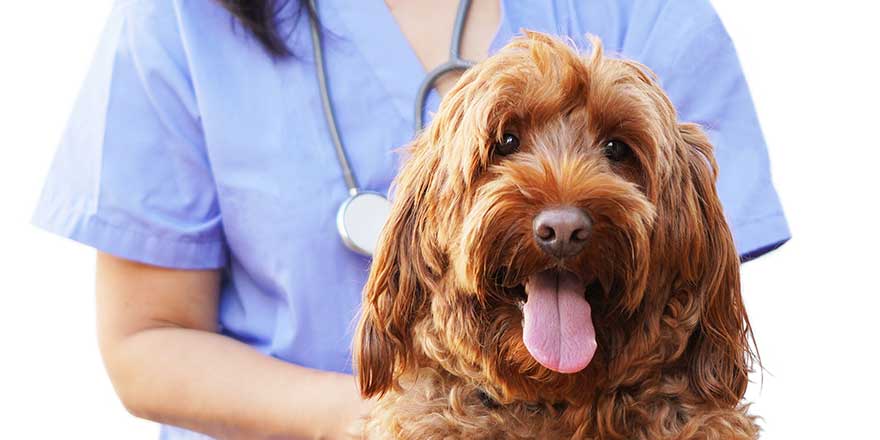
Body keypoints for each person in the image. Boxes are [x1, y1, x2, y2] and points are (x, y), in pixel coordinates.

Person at [32, 0, 789, 438]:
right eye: (508, 144)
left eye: (616, 150)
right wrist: (383, 420)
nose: (563, 215)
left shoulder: (649, 10)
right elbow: (145, 338)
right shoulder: (182, 18)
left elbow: (702, 316)